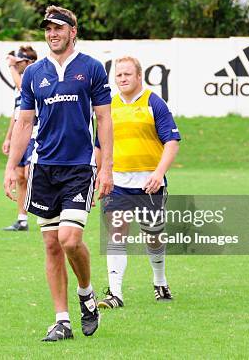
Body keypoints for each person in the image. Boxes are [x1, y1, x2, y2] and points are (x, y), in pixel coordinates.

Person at [4, 5, 113, 342]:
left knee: (70, 239)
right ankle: (62, 320)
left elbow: (105, 120)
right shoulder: (35, 73)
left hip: (80, 168)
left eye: (58, 28)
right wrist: (11, 167)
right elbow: (24, 122)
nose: (52, 34)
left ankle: (86, 293)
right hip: (43, 169)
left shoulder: (91, 68)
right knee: (52, 244)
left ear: (72, 31)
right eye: (48, 29)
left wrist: (106, 166)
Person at [95, 56, 181, 308]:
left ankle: (159, 280)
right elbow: (99, 146)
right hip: (117, 183)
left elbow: (172, 143)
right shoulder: (108, 107)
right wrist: (100, 174)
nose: (122, 79)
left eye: (127, 74)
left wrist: (158, 173)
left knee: (152, 236)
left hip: (149, 184)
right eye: (118, 75)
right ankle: (115, 293)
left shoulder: (154, 102)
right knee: (116, 234)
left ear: (138, 76)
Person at [1, 46, 37, 231]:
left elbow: (21, 85)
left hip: (35, 135)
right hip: (20, 135)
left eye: (20, 61)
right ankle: (22, 219)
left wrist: (11, 66)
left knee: (32, 174)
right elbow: (16, 115)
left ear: (29, 63)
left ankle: (46, 212)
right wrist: (9, 138)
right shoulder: (18, 89)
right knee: (21, 177)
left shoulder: (32, 81)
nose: (17, 64)